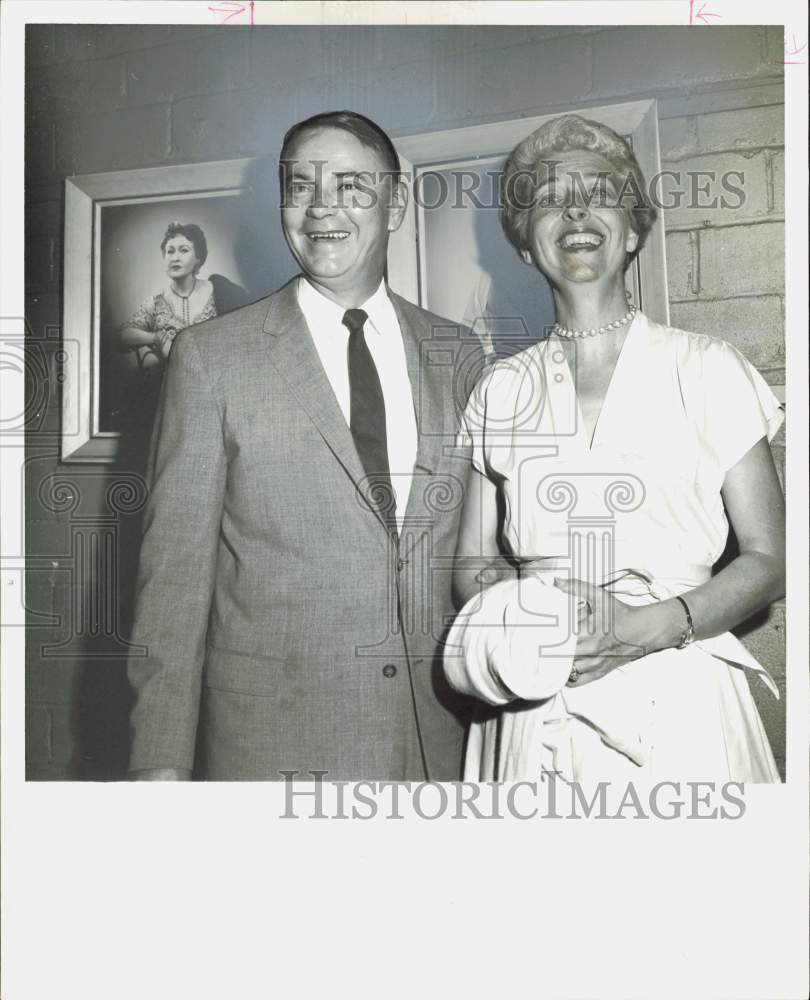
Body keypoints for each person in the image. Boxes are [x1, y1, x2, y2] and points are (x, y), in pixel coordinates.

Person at [127, 111, 481, 780]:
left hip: (440, 741)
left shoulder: (457, 352)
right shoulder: (211, 358)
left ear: (396, 202)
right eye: (300, 186)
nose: (321, 208)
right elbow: (173, 578)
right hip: (275, 745)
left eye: (351, 184)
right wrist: (158, 764)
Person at [448, 114, 785, 782]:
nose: (574, 209)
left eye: (598, 192)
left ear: (632, 230)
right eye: (548, 199)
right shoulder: (498, 390)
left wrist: (651, 625)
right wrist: (533, 619)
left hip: (681, 692)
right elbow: (472, 563)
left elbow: (771, 557)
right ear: (525, 244)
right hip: (536, 693)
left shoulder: (709, 368)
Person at [118, 221, 248, 371]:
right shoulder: (156, 303)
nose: (175, 258)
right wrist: (156, 338)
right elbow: (122, 336)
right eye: (170, 251)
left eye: (183, 250)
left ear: (198, 258)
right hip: (172, 384)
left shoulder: (218, 290)